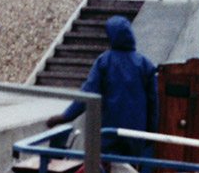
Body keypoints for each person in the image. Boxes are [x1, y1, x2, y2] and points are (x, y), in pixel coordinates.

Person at [46, 15, 158, 160]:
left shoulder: (104, 62)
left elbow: (88, 93)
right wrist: (150, 134)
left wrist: (65, 116)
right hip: (135, 136)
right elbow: (153, 104)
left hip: (108, 134)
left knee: (106, 171)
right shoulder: (145, 64)